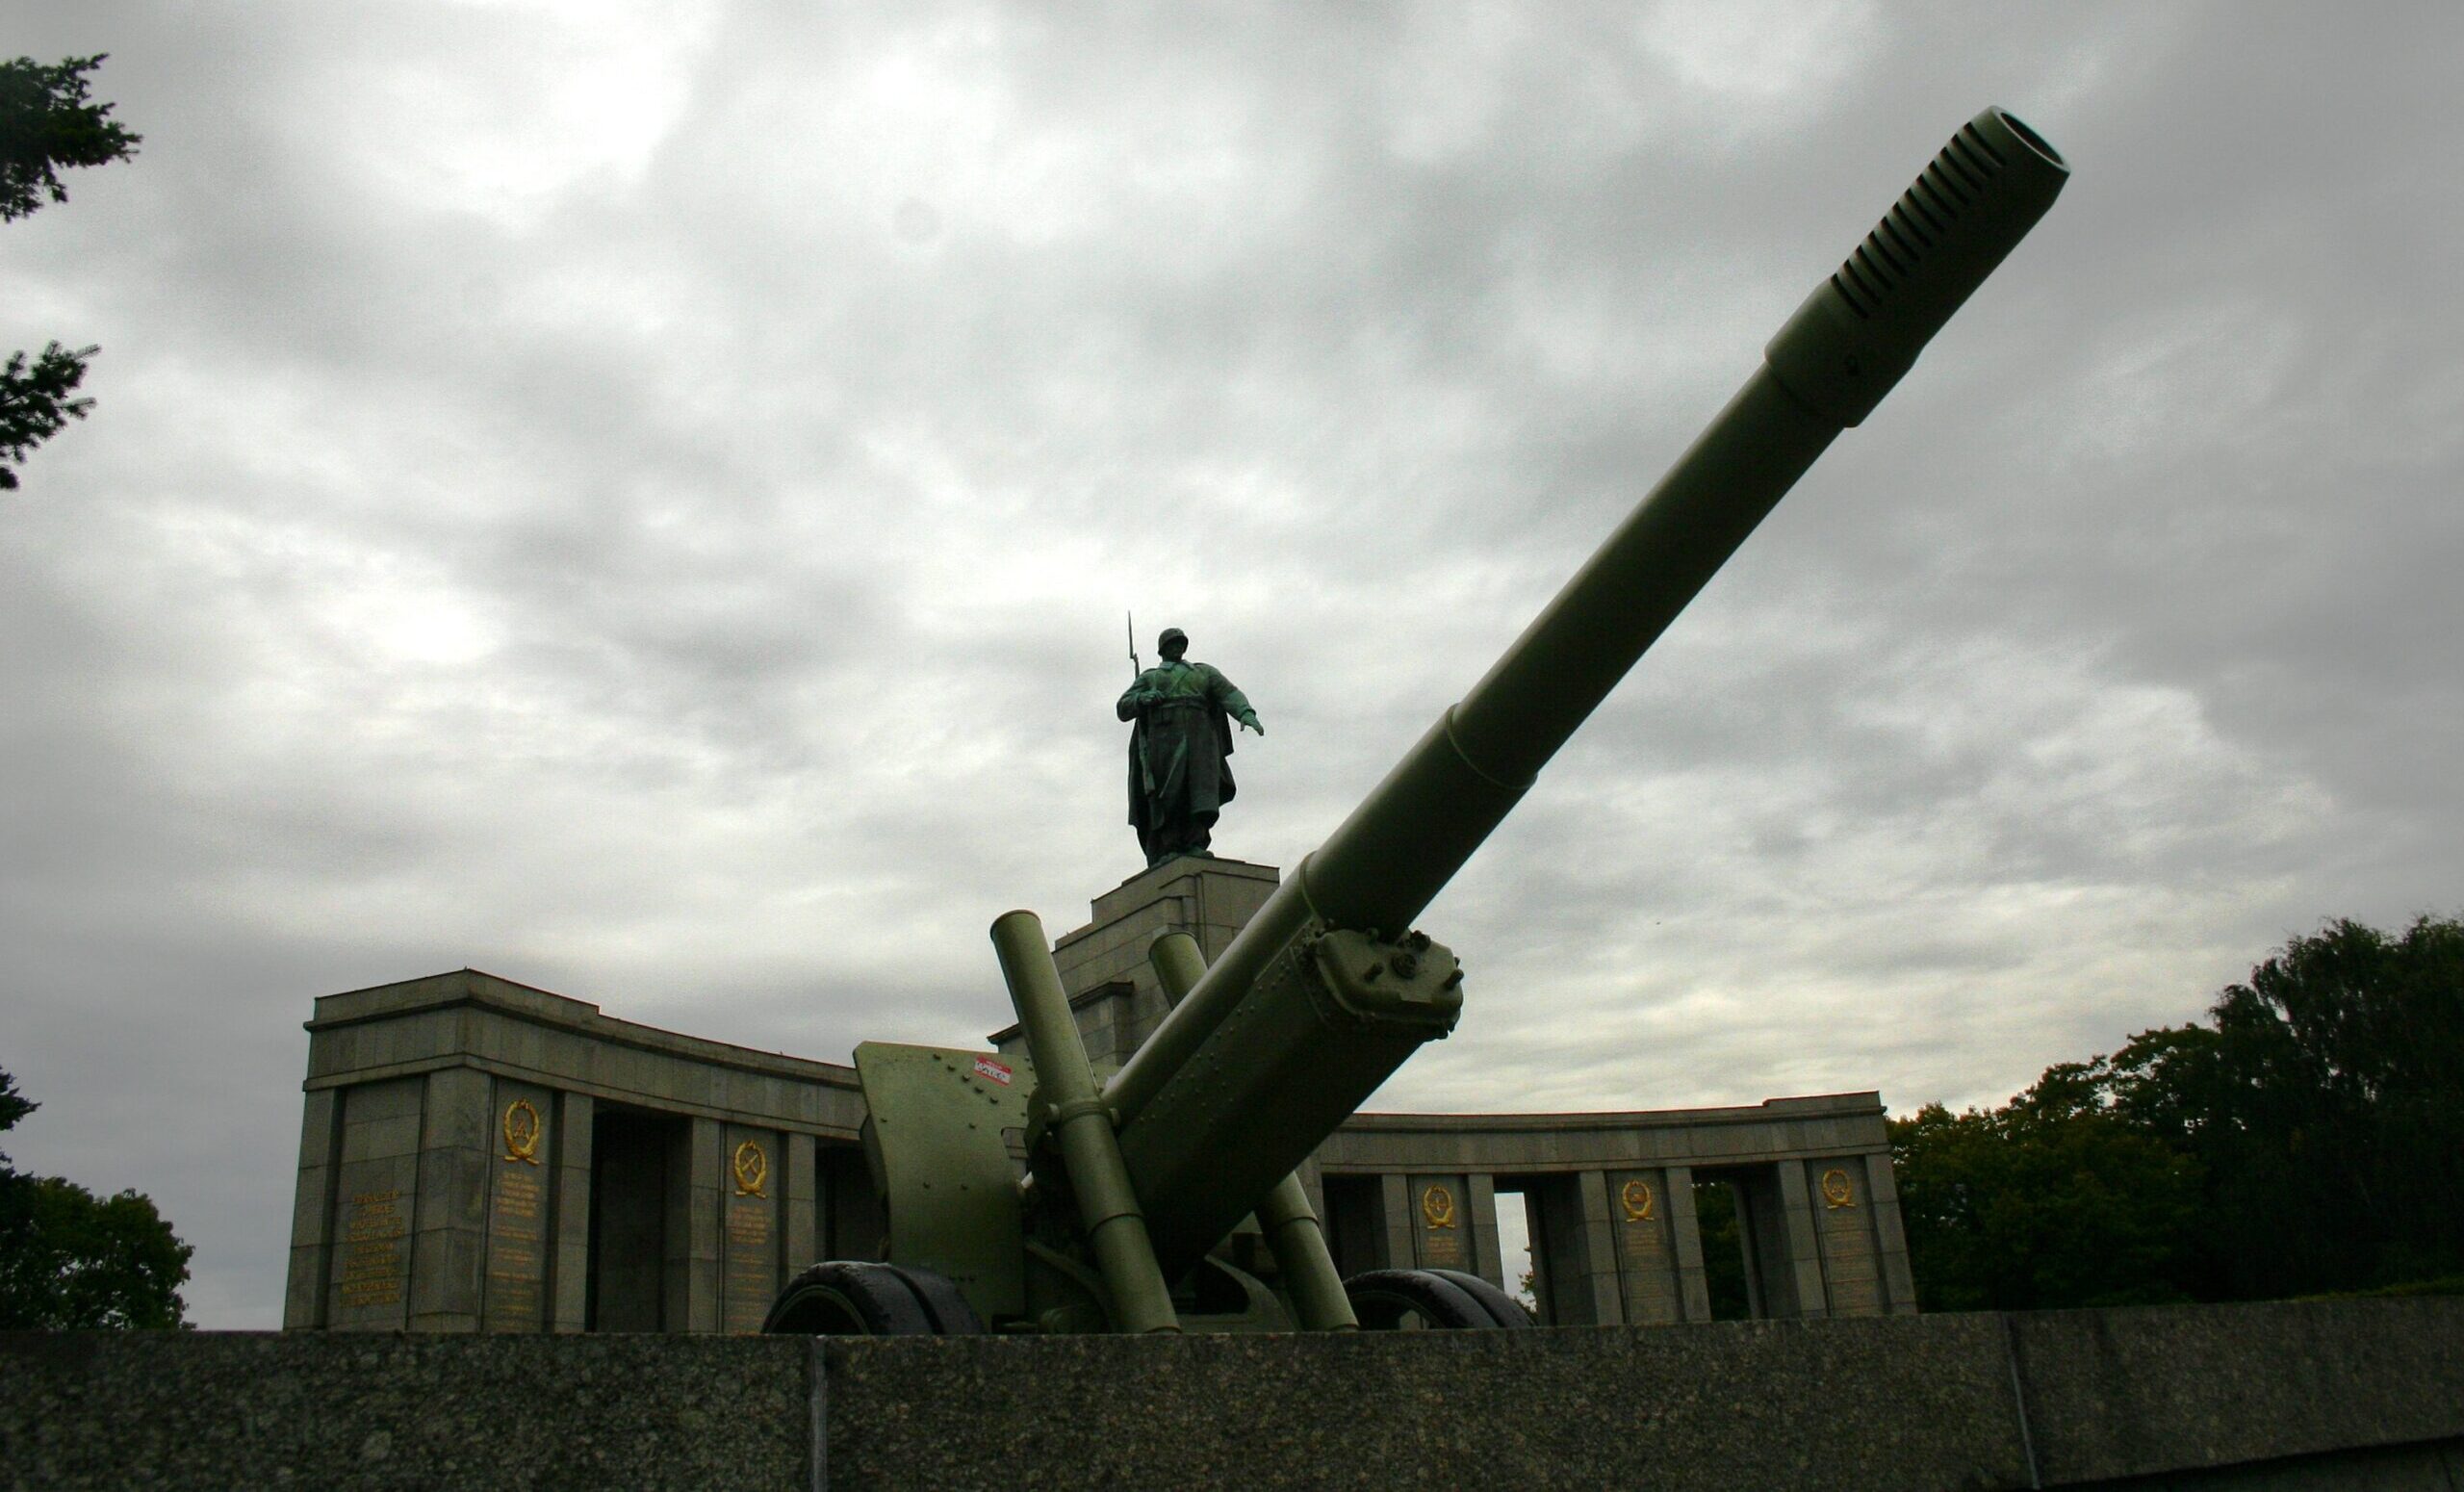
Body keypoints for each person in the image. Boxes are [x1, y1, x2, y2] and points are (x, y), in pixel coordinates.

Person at [1118, 628, 1262, 866]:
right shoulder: (1150, 677)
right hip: (1164, 738)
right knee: (1169, 792)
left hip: (1200, 736)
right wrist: (1141, 699)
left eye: (1180, 643)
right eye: (1172, 643)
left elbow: (1229, 693)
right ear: (1162, 649)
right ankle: (1169, 845)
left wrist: (1246, 713)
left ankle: (1196, 842)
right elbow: (1123, 707)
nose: (1177, 647)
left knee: (1201, 790)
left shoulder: (1203, 672)